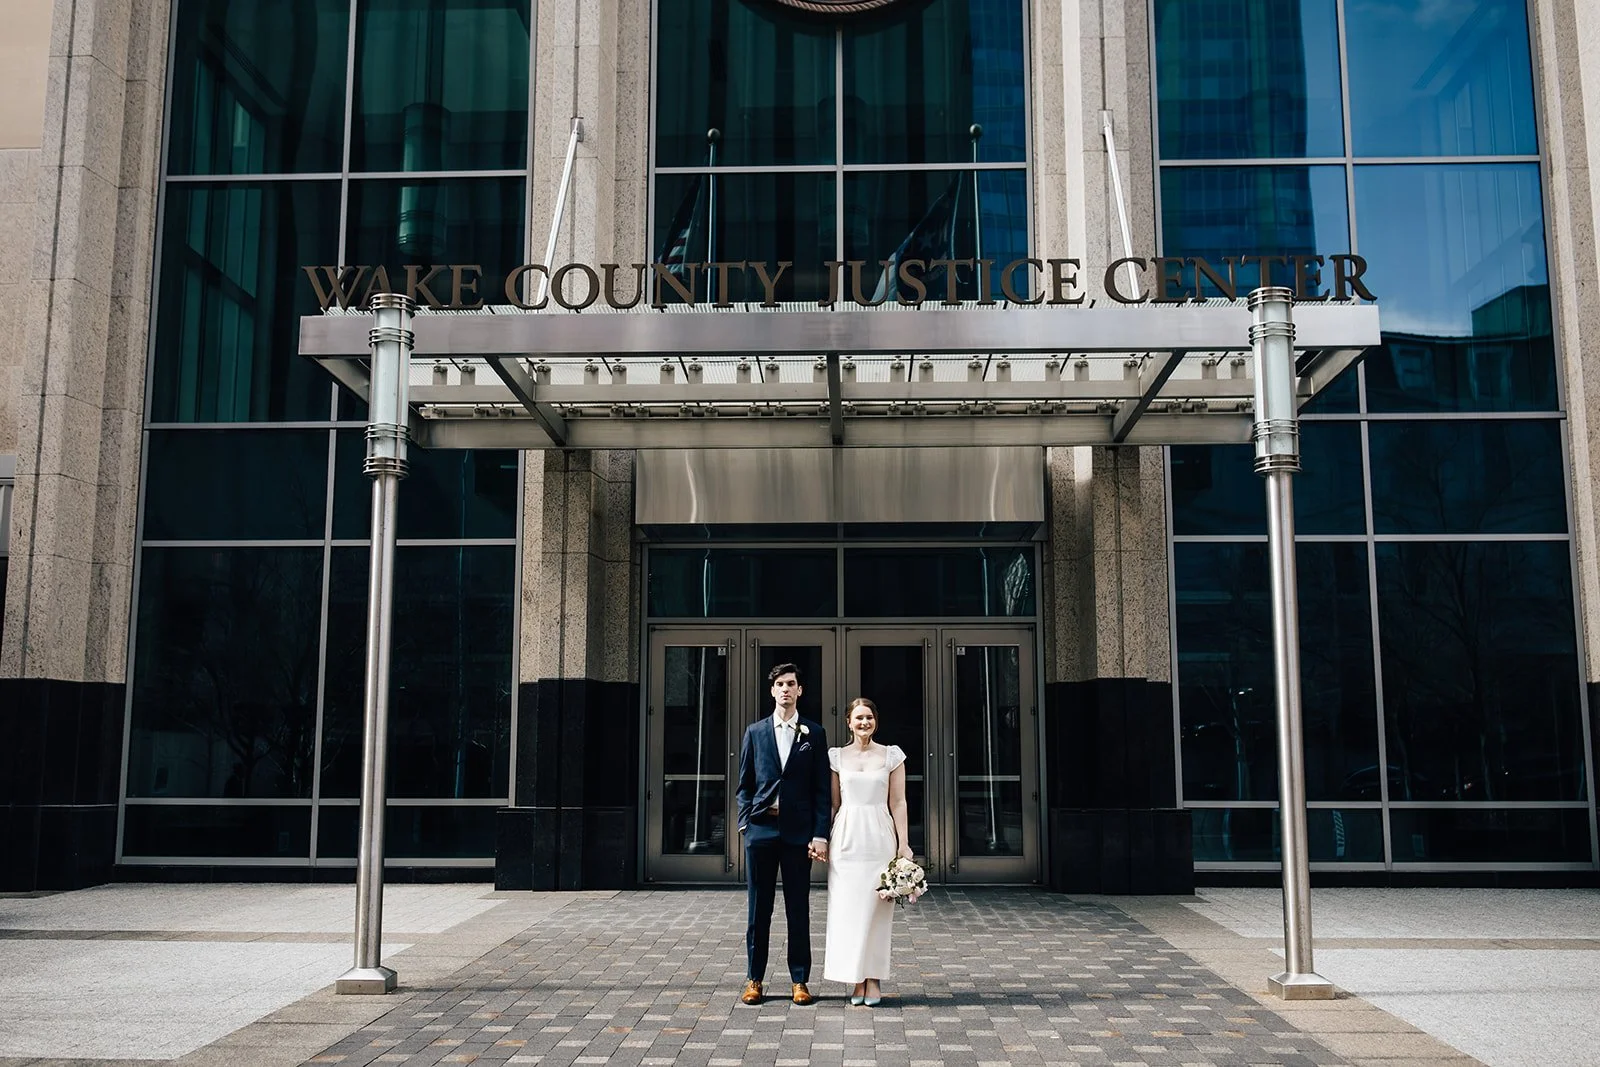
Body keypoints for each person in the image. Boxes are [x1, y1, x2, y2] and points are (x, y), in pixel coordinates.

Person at [735, 662, 832, 1006]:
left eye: (791, 683)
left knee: (798, 909)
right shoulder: (755, 732)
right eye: (780, 684)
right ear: (772, 690)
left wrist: (820, 833)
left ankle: (800, 980)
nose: (786, 689)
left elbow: (822, 790)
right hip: (761, 830)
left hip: (798, 834)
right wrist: (744, 823)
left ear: (800, 690)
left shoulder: (814, 734)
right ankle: (754, 979)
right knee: (758, 910)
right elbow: (744, 784)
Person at [823, 696, 912, 1006]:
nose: (864, 723)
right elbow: (834, 804)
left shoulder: (891, 756)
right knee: (847, 912)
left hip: (879, 838)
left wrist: (903, 844)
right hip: (847, 839)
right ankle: (856, 980)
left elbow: (898, 803)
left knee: (877, 911)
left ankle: (873, 980)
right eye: (858, 718)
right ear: (848, 722)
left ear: (876, 722)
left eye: (869, 718)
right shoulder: (835, 757)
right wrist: (823, 839)